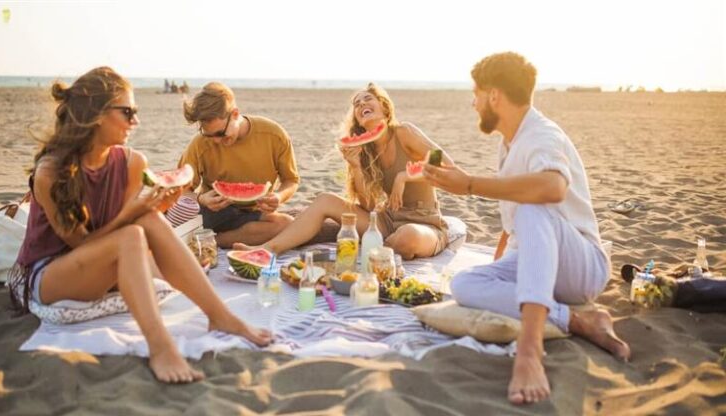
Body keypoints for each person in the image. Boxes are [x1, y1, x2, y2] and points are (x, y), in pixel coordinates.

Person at [9, 67, 272, 384]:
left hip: (101, 265)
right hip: (50, 275)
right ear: (96, 115)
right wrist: (130, 216)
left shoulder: (132, 163)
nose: (136, 121)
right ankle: (160, 346)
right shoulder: (50, 171)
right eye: (127, 112)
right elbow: (81, 243)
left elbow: (124, 228)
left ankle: (220, 316)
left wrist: (157, 208)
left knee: (146, 220)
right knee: (134, 230)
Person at [422, 52, 631, 405]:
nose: (472, 102)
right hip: (544, 262)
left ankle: (529, 353)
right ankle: (580, 321)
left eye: (476, 93)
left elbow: (551, 189)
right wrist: (501, 257)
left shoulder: (542, 135)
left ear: (493, 96)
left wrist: (470, 184)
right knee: (465, 283)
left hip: (582, 267)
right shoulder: (511, 141)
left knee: (535, 210)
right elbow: (516, 215)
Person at [235, 83, 452, 260]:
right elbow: (367, 206)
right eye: (357, 104)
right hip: (387, 222)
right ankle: (267, 249)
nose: (361, 104)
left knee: (408, 237)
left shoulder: (404, 132)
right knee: (325, 200)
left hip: (424, 222)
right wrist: (356, 166)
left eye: (368, 99)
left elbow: (443, 160)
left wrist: (404, 176)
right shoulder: (365, 150)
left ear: (384, 107)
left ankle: (375, 246)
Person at [179, 82, 298, 247]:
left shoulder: (273, 135)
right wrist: (201, 199)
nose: (216, 141)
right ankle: (204, 238)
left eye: (221, 133)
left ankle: (211, 242)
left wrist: (279, 196)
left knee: (287, 224)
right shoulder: (200, 144)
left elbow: (291, 180)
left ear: (235, 114)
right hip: (212, 213)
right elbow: (180, 191)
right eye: (209, 135)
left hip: (254, 212)